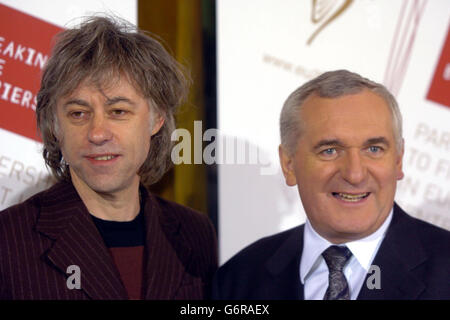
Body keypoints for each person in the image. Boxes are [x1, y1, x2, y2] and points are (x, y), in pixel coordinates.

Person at [0, 16, 217, 300]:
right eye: (78, 113)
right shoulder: (9, 240)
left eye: (118, 112)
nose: (98, 133)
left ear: (157, 119)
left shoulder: (195, 233)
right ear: (55, 125)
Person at [212, 70, 450, 300]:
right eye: (330, 150)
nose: (355, 174)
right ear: (288, 164)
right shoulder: (238, 280)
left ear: (398, 160)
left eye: (374, 149)